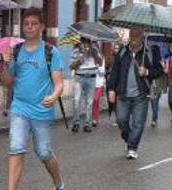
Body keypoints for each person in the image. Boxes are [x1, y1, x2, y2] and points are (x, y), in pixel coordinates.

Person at [0, 8, 66, 190]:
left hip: (42, 110)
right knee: (15, 147)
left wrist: (53, 96)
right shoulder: (16, 51)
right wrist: (6, 64)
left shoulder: (50, 52)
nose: (29, 27)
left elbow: (59, 83)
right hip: (20, 107)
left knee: (44, 152)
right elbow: (7, 82)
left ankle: (59, 186)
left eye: (34, 23)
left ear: (41, 27)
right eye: (26, 23)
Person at [107, 28, 163, 159]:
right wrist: (111, 89)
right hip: (123, 94)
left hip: (141, 95)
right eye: (132, 35)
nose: (133, 39)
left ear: (143, 37)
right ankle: (129, 139)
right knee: (121, 120)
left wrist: (147, 72)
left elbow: (159, 71)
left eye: (137, 36)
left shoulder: (150, 52)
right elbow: (115, 72)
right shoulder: (123, 51)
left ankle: (132, 147)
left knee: (138, 122)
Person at [69, 38, 102, 133]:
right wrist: (79, 61)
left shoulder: (95, 50)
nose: (86, 45)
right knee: (76, 100)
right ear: (81, 42)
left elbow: (100, 62)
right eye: (84, 42)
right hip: (79, 77)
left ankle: (87, 124)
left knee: (89, 102)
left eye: (88, 42)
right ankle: (76, 122)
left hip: (91, 78)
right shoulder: (76, 51)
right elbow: (71, 66)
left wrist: (95, 55)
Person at [91, 57, 107, 127]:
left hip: (99, 83)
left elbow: (103, 73)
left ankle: (95, 118)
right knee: (90, 101)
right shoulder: (90, 58)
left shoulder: (101, 59)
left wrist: (97, 67)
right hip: (91, 83)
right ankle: (90, 118)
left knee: (96, 99)